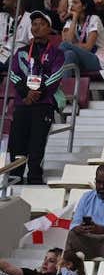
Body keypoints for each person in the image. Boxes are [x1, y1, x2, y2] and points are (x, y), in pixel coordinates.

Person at [8, 11, 65, 184]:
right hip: (23, 103)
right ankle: (14, 178)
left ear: (49, 28)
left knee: (37, 144)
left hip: (43, 104)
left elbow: (56, 76)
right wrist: (26, 92)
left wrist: (37, 92)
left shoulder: (57, 53)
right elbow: (13, 73)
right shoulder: (21, 52)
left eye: (41, 24)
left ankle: (34, 178)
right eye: (34, 24)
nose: (37, 27)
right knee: (17, 143)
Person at [60, 0, 104, 85]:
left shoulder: (94, 19)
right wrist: (74, 19)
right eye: (72, 2)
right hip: (80, 60)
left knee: (64, 46)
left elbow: (88, 47)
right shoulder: (71, 21)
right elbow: (68, 40)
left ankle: (53, 70)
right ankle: (66, 91)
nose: (72, 5)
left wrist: (72, 45)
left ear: (84, 6)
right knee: (69, 54)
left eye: (75, 3)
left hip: (97, 59)